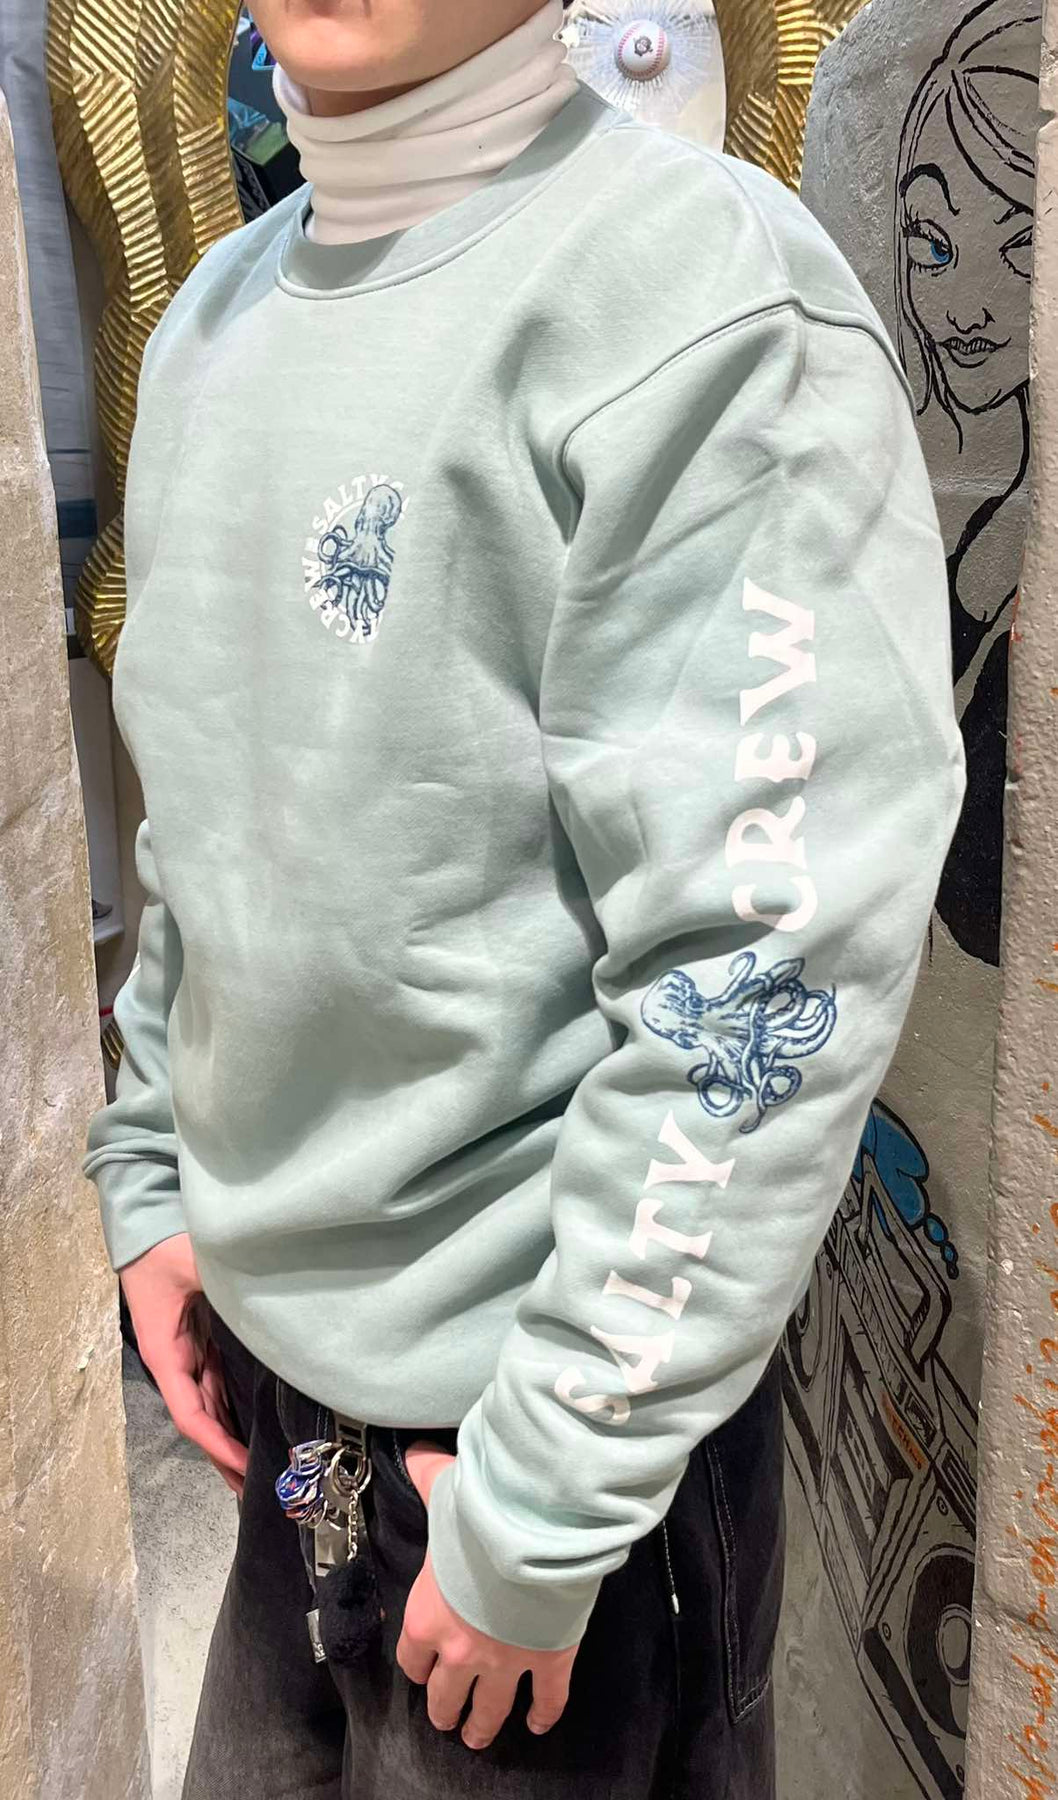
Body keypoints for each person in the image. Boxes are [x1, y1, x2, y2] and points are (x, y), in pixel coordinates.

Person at [81, 3, 966, 1796]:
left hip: (543, 1463)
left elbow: (762, 963)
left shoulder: (696, 300)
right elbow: (211, 831)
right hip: (280, 1412)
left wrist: (553, 1490)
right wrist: (154, 1173)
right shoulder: (212, 321)